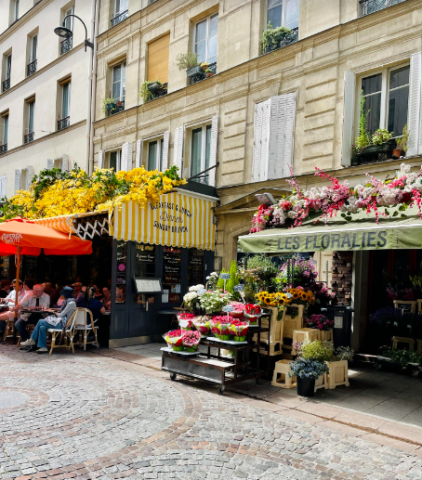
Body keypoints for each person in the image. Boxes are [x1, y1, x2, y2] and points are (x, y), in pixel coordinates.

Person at [21, 286, 76, 354]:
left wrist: (52, 311)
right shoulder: (68, 302)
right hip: (61, 322)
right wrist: (53, 310)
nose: (61, 295)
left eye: (62, 294)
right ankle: (43, 347)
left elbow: (61, 315)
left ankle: (32, 339)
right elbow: (63, 312)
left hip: (65, 325)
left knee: (41, 321)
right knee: (42, 327)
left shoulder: (71, 303)